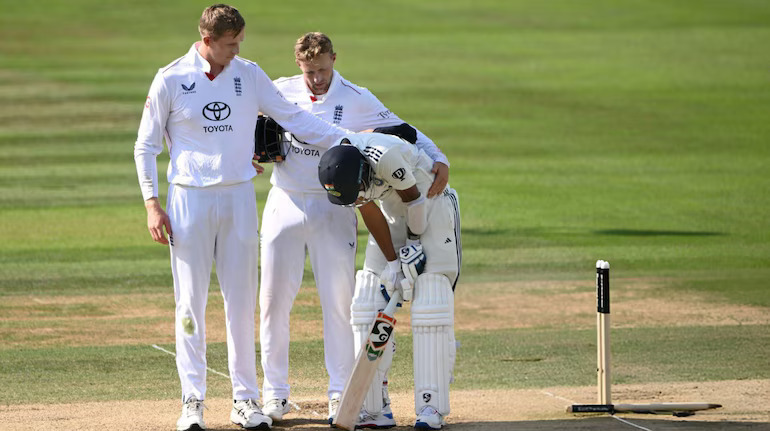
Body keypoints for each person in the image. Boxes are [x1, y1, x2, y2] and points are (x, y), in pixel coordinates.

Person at [133, 6, 352, 431]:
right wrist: (151, 204)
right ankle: (193, 402)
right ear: (208, 40)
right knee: (190, 305)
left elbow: (294, 118)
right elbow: (145, 146)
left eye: (240, 42)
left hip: (237, 199)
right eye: (231, 44)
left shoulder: (248, 74)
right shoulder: (171, 78)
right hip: (189, 201)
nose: (238, 50)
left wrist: (349, 140)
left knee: (240, 305)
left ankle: (245, 400)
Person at [258, 32, 450, 427]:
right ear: (299, 65)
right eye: (310, 72)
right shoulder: (279, 90)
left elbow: (403, 129)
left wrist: (438, 157)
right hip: (285, 201)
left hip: (336, 206)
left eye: (324, 70)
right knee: (274, 301)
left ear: (334, 60)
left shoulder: (356, 96)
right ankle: (274, 394)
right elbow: (246, 124)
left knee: (340, 303)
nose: (317, 79)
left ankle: (339, 395)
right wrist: (251, 153)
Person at [318, 131, 461, 430]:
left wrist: (412, 246)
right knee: (368, 300)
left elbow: (415, 201)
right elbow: (369, 210)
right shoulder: (342, 170)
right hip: (394, 216)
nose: (356, 195)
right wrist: (395, 263)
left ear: (362, 172)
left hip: (431, 209)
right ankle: (373, 409)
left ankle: (430, 406)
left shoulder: (384, 157)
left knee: (430, 301)